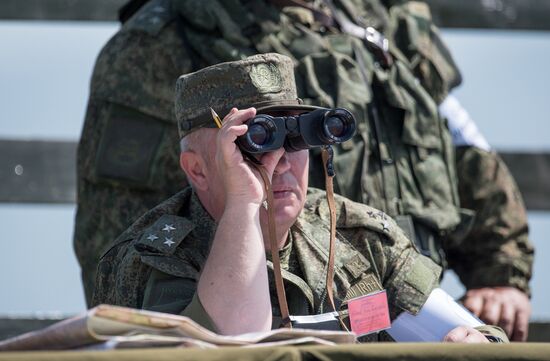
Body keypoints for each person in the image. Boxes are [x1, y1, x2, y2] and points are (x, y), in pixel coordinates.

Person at [76, 0, 533, 340]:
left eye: (300, 138)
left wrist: (499, 271)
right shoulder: (164, 41)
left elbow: (456, 140)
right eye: (262, 140)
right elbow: (115, 211)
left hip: (375, 292)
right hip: (213, 279)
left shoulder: (381, 19)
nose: (281, 162)